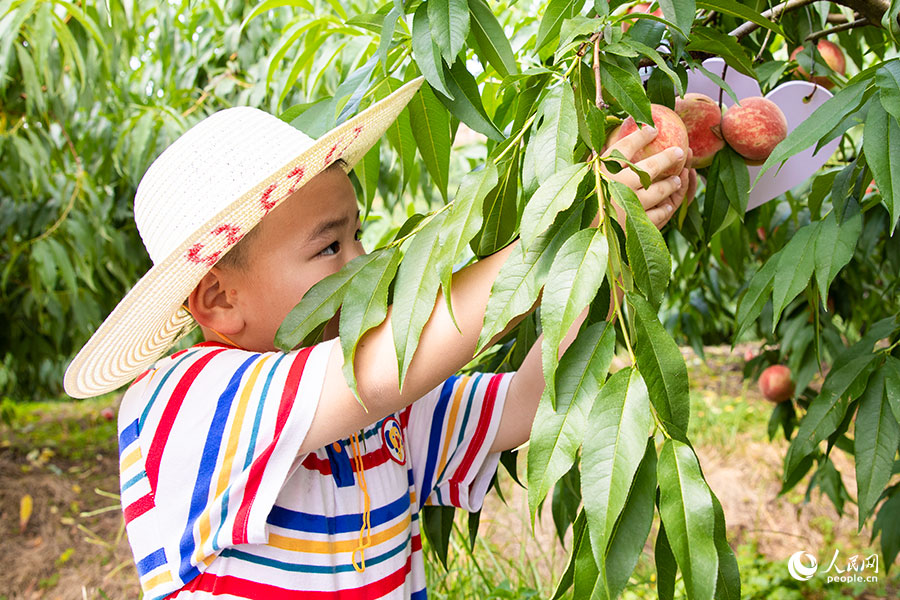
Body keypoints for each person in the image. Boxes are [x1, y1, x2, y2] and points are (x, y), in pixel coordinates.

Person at [64, 77, 694, 598]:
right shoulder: (184, 402)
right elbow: (384, 365)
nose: (364, 261)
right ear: (220, 300)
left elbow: (521, 407)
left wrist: (602, 250)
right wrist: (570, 224)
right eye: (330, 245)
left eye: (357, 234)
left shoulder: (381, 416)